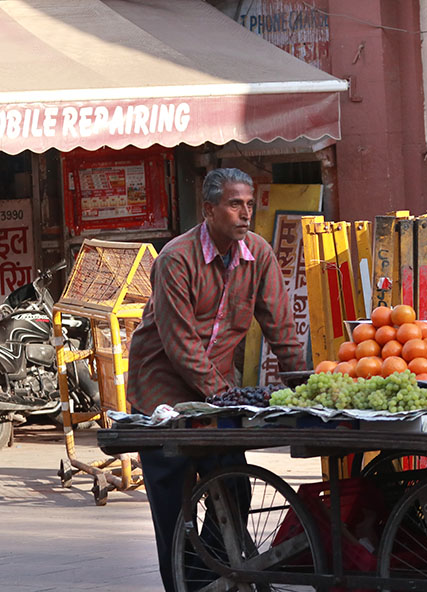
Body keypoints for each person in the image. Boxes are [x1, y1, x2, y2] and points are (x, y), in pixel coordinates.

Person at [126, 168, 305, 592]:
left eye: (249, 204)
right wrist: (224, 395)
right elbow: (180, 343)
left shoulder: (257, 254)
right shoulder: (176, 257)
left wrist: (306, 385)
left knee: (234, 487)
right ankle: (182, 583)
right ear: (208, 210)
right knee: (172, 506)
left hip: (216, 389)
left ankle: (206, 574)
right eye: (234, 204)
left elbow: (281, 326)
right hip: (162, 388)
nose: (245, 213)